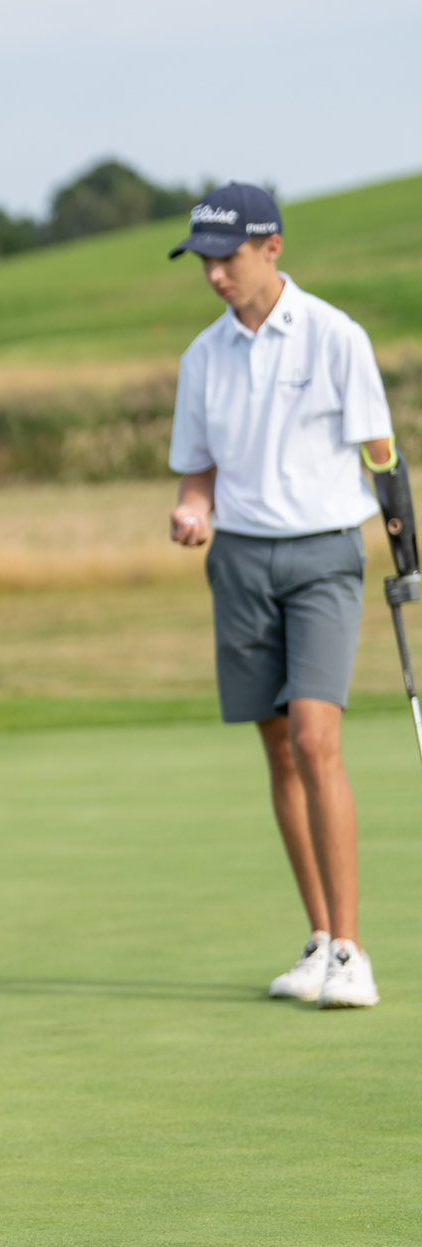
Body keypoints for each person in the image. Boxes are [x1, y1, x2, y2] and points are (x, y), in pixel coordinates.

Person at [166, 183, 396, 1007]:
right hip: (240, 563)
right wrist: (194, 507)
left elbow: (379, 452)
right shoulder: (203, 358)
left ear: (272, 248)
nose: (214, 276)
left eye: (225, 258)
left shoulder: (336, 336)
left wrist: (404, 544)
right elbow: (198, 468)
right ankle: (320, 939)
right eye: (203, 262)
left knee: (314, 737)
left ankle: (354, 953)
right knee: (276, 746)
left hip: (324, 557)